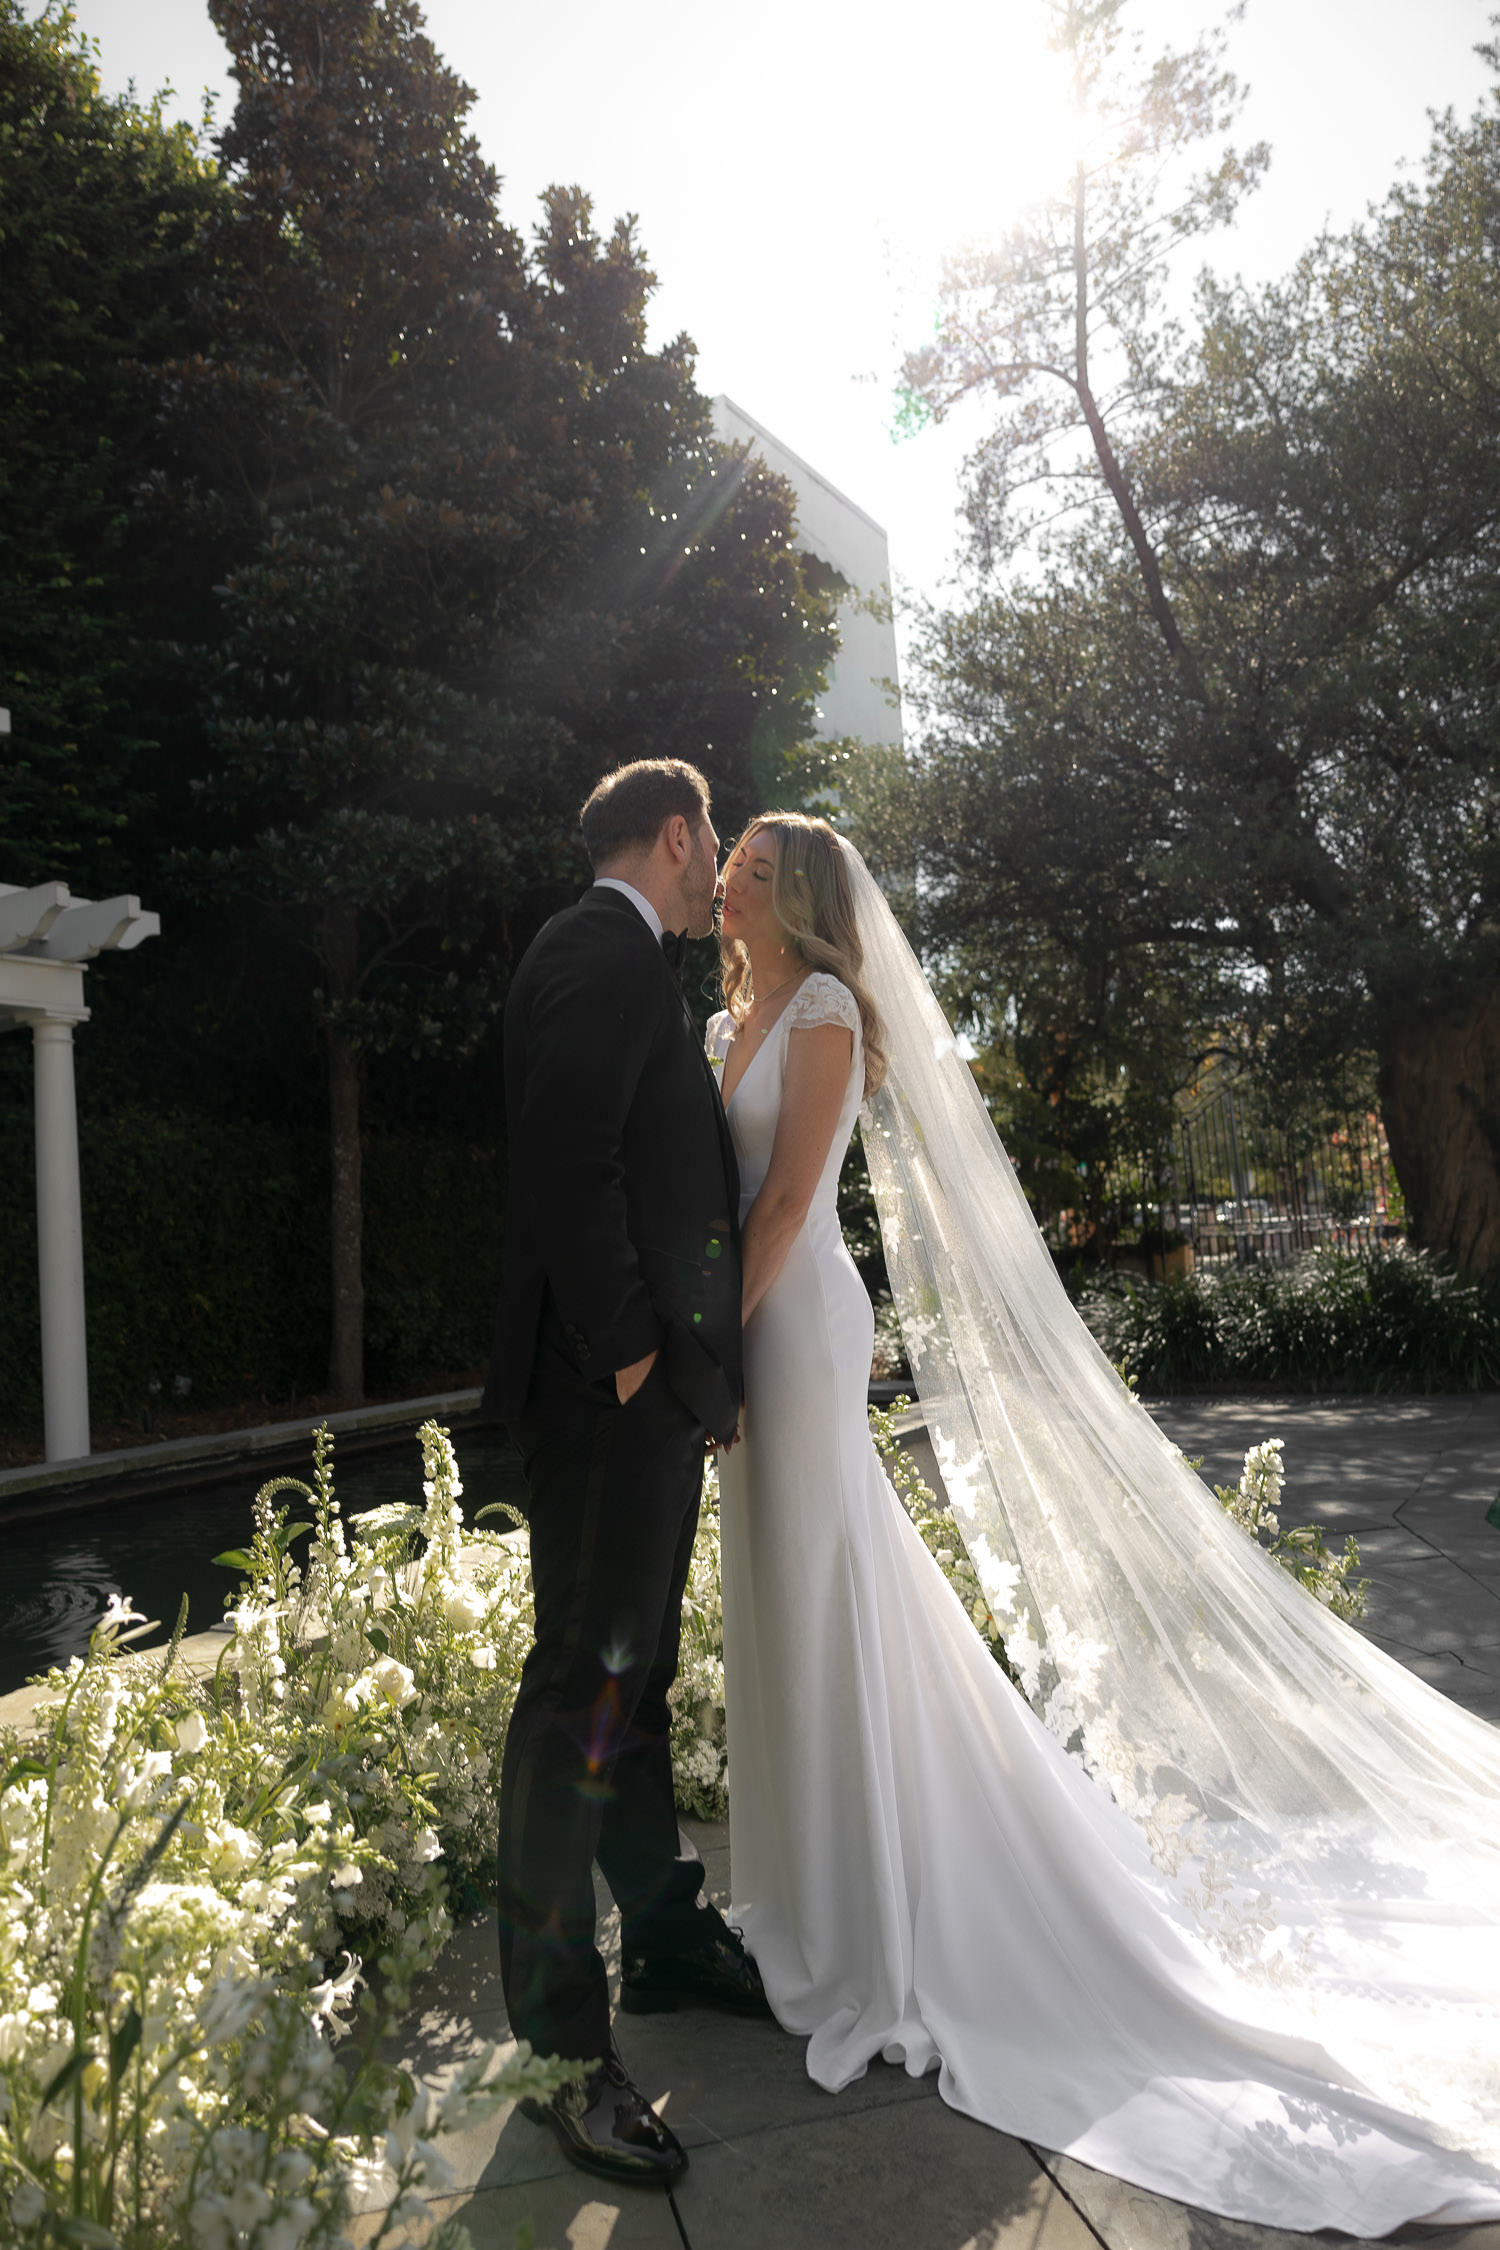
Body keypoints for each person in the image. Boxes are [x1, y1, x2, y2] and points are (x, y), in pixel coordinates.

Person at [710, 810, 1500, 2235]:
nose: (735, 866)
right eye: (735, 853)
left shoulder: (822, 1006)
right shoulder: (730, 1018)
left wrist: (714, 1339)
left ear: (809, 892)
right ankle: (810, 1883)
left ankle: (884, 1907)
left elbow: (783, 1196)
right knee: (783, 1593)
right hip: (743, 1336)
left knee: (832, 1586)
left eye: (761, 855)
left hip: (795, 1328)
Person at [484, 758, 768, 2192]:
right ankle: (556, 2047)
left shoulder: (608, 952)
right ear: (676, 835)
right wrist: (631, 1361)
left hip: (639, 1405)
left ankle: (660, 1933)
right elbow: (567, 1162)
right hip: (610, 1403)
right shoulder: (598, 950)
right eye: (712, 840)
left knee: (632, 1679)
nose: (717, 863)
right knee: (578, 1698)